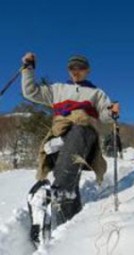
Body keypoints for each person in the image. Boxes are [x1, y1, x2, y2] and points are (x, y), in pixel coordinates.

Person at [21, 53, 119, 227]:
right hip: (60, 132)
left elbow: (105, 116)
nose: (76, 71)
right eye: (72, 68)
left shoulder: (96, 93)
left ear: (87, 70)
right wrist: (28, 68)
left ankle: (58, 198)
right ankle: (68, 228)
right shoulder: (56, 89)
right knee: (64, 173)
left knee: (65, 176)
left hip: (84, 131)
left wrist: (112, 111)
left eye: (80, 68)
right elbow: (31, 92)